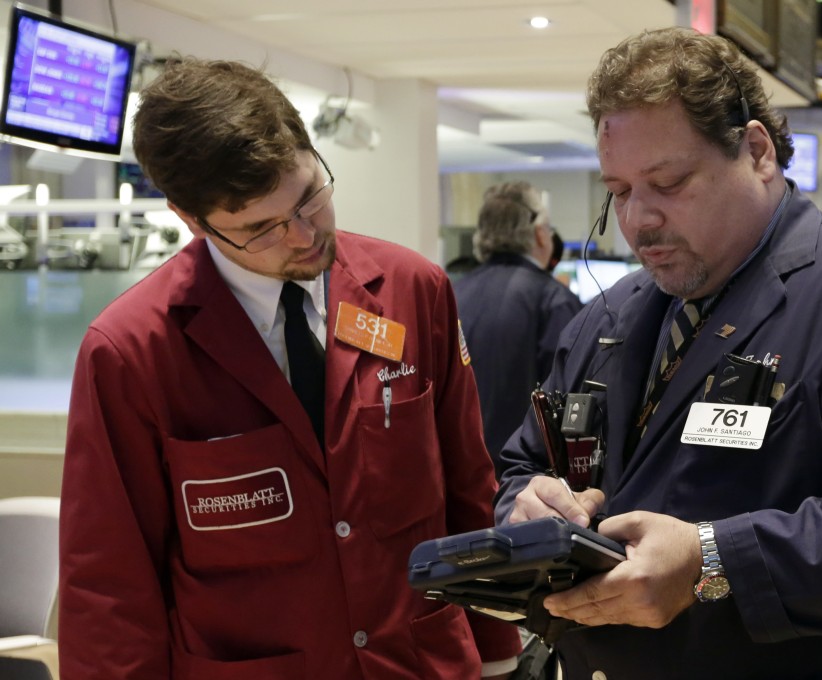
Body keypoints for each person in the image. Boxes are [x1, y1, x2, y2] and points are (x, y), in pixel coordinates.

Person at [494, 27, 822, 679]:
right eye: (618, 191)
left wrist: (713, 561)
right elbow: (524, 464)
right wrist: (527, 505)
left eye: (668, 182)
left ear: (756, 151)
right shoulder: (609, 316)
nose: (638, 219)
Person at [58, 57, 520, 679]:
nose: (304, 235)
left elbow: (467, 485)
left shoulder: (414, 289)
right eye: (261, 228)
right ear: (190, 220)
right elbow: (108, 583)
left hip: (420, 663)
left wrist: (496, 659)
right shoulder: (131, 351)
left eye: (310, 197)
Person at [453, 182, 582, 472]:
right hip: (525, 479)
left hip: (462, 477)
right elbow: (571, 402)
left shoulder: (451, 294)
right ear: (539, 234)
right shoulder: (554, 301)